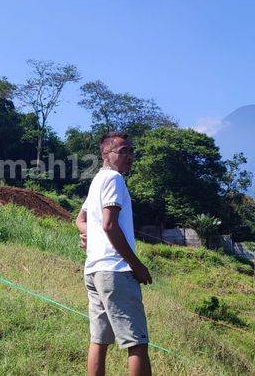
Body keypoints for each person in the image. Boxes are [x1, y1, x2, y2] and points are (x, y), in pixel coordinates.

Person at [76, 131, 153, 376]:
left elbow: (81, 220)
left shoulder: (96, 180)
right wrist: (137, 265)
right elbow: (110, 224)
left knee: (99, 341)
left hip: (94, 270)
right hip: (116, 271)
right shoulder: (114, 180)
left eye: (131, 151)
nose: (129, 156)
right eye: (123, 152)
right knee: (137, 343)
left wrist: (90, 235)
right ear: (106, 154)